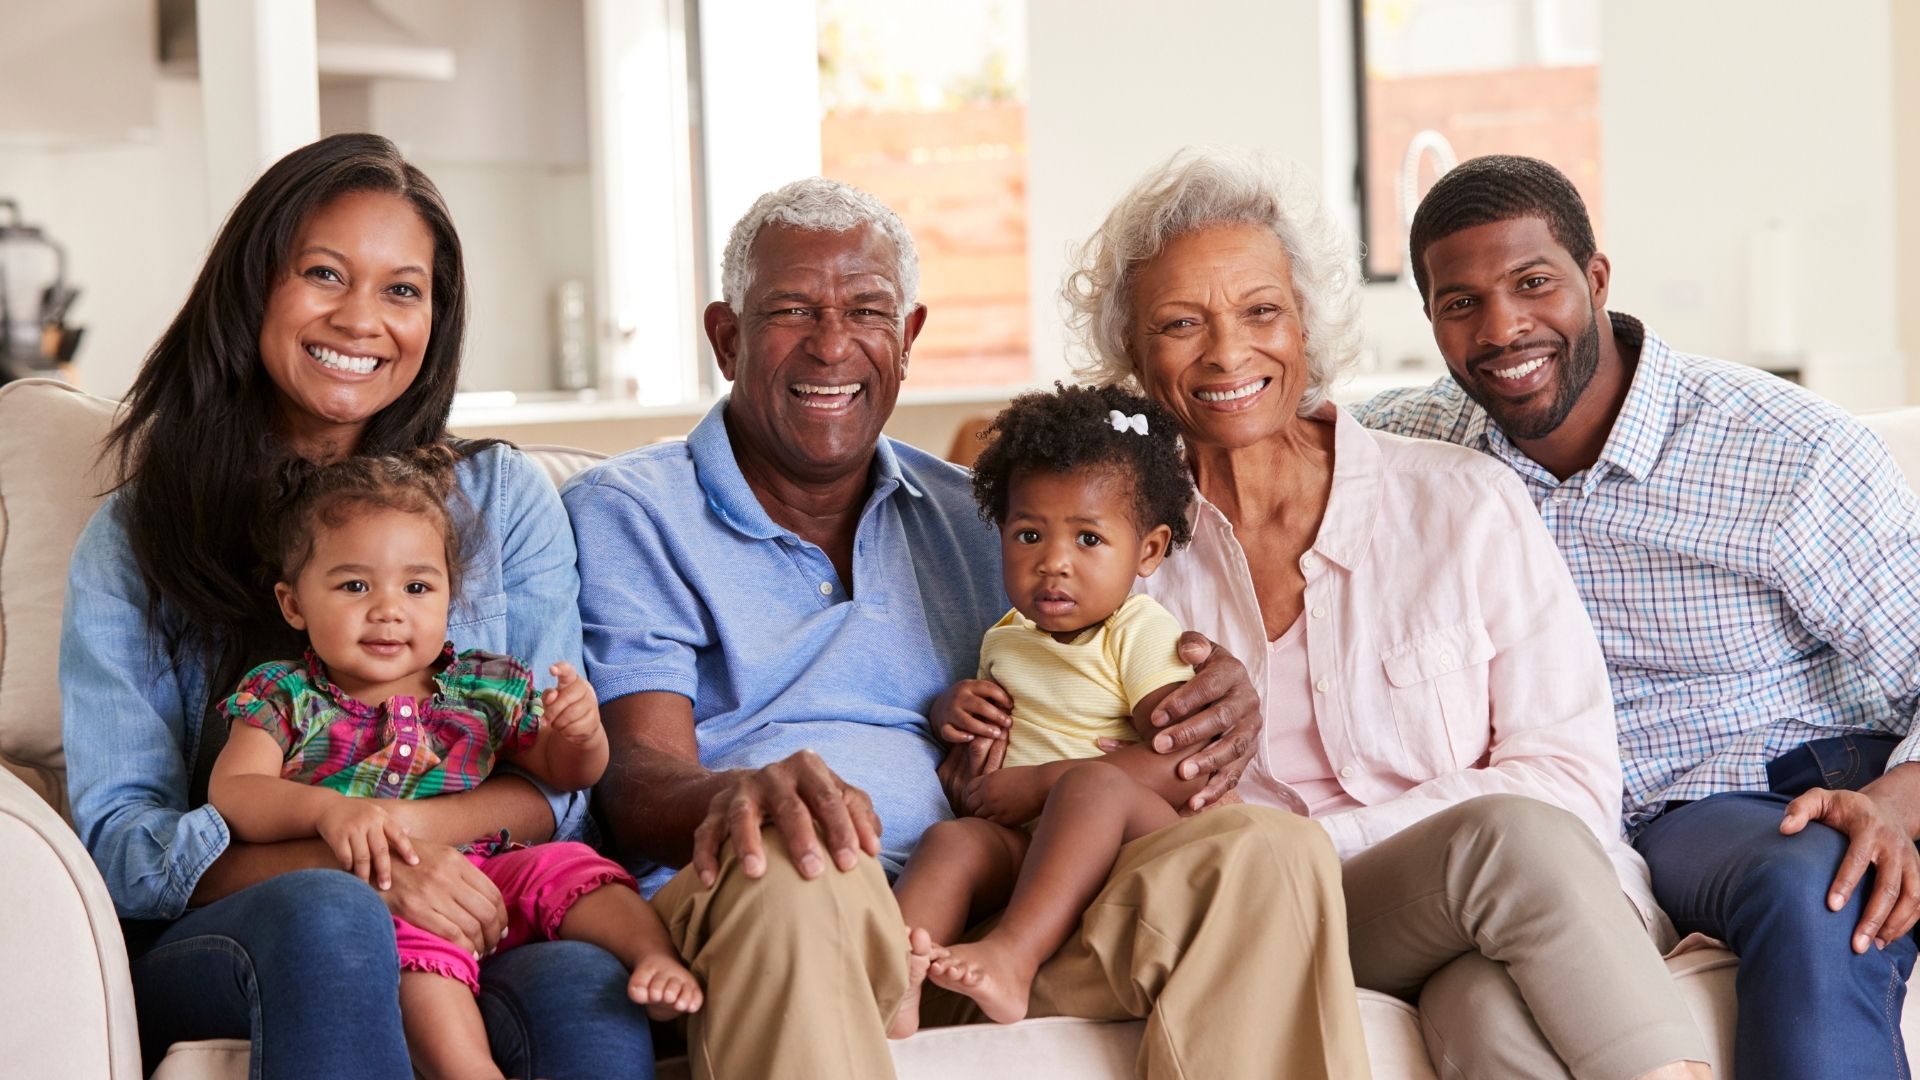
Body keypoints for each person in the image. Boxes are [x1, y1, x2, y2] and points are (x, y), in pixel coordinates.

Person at [565, 176, 1371, 1079]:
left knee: (1270, 851)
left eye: (867, 311)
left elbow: (1078, 678)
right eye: (792, 310)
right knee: (799, 859)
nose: (833, 345)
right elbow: (634, 777)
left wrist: (1213, 704)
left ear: (907, 340)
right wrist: (742, 793)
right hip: (781, 901)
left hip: (978, 920)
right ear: (727, 336)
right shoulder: (634, 512)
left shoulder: (979, 517)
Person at [1054, 147, 1710, 1080]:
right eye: (1179, 324)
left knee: (1485, 1007)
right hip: (1288, 915)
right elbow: (1084, 791)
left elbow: (1568, 778)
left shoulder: (1463, 503)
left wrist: (1326, 843)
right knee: (1503, 842)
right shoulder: (1115, 565)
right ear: (1131, 351)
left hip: (1494, 904)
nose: (1228, 353)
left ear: (1308, 326)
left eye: (1260, 311)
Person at [60, 132, 653, 1079]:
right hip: (240, 930)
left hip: (470, 899)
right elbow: (125, 848)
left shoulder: (501, 505)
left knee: (578, 981)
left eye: (402, 289)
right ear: (254, 287)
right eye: (325, 274)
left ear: (435, 318)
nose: (362, 319)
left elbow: (556, 796)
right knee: (333, 915)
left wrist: (400, 844)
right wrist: (354, 862)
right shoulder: (140, 534)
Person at [1355, 152, 1920, 1079]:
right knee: (1486, 1003)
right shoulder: (1413, 449)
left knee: (1817, 879)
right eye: (1461, 304)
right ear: (1429, 320)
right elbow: (1234, 460)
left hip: (1766, 790)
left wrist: (1892, 807)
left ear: (1597, 279)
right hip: (1568, 842)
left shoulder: (1788, 454)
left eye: (1533, 283)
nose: (1503, 329)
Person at [205, 448, 699, 1079]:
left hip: (492, 868)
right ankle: (465, 1067)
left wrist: (580, 733)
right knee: (420, 953)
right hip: (385, 894)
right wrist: (330, 810)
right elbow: (236, 791)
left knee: (574, 866)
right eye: (354, 585)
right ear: (293, 603)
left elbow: (563, 774)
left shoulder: (482, 687)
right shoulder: (284, 694)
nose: (388, 609)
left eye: (417, 587)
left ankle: (653, 956)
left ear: (448, 599)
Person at [890, 383, 1199, 1035]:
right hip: (1031, 847)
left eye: (1088, 539)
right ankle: (892, 976)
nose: (1053, 563)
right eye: (1029, 534)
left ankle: (1012, 957)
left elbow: (1187, 763)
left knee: (1090, 784)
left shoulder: (1138, 630)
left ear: (1147, 549)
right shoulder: (1006, 638)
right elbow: (994, 738)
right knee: (950, 843)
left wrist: (1039, 785)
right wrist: (956, 711)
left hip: (1131, 843)